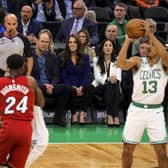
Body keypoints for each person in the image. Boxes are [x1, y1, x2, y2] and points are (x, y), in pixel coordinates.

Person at [117, 21, 168, 168]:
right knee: (127, 149)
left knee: (161, 150)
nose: (147, 49)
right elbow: (121, 64)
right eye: (145, 46)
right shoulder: (138, 61)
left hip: (155, 112)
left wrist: (150, 35)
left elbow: (164, 55)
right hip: (136, 110)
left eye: (150, 46)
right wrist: (127, 41)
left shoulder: (164, 65)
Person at [0, 54, 44, 168]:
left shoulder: (1, 82)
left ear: (7, 68)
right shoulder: (30, 82)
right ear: (22, 67)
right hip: (26, 131)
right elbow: (41, 103)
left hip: (8, 128)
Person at [31, 29, 71, 126]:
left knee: (66, 88)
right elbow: (30, 76)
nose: (44, 44)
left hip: (50, 86)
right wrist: (43, 85)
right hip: (38, 86)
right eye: (42, 41)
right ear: (37, 41)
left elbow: (56, 75)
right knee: (36, 87)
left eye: (47, 42)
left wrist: (51, 85)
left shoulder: (52, 56)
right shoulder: (30, 56)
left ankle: (58, 117)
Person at [59, 34, 91, 124]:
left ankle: (82, 113)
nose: (72, 44)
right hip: (69, 84)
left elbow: (87, 75)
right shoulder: (62, 57)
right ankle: (73, 114)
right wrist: (73, 87)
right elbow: (63, 76)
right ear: (67, 44)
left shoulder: (85, 57)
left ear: (78, 44)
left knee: (90, 88)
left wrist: (81, 86)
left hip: (81, 84)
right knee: (70, 89)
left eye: (74, 42)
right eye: (70, 42)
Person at [92, 39, 121, 126]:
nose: (108, 47)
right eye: (106, 45)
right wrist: (107, 79)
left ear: (113, 48)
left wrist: (115, 79)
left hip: (113, 85)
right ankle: (111, 115)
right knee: (109, 85)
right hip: (100, 85)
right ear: (102, 48)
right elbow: (97, 77)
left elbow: (119, 76)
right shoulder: (96, 59)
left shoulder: (117, 59)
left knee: (114, 85)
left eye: (110, 45)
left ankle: (114, 116)